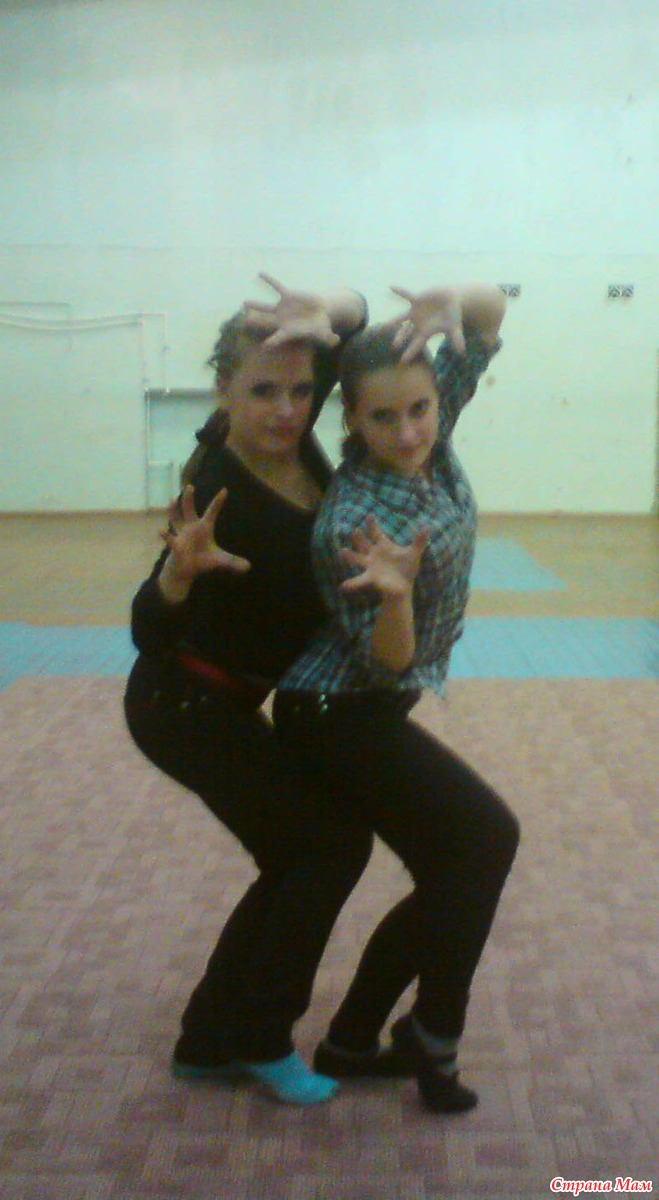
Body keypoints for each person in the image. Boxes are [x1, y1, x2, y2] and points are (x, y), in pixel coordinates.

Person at [124, 275, 376, 1105]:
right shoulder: (216, 489)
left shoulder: (293, 432)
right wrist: (175, 575)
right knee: (328, 848)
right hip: (181, 704)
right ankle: (259, 1037)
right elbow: (148, 632)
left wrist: (326, 312)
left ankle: (208, 1039)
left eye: (302, 391)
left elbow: (355, 326)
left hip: (227, 702)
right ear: (224, 390)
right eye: (263, 391)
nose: (287, 410)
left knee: (300, 855)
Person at [273, 283, 521, 1113]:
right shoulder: (351, 521)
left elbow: (486, 321)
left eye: (419, 409)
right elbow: (389, 663)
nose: (409, 432)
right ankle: (432, 1034)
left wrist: (459, 297)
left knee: (457, 865)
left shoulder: (429, 430)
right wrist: (394, 597)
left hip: (369, 709)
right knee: (485, 839)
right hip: (333, 713)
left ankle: (354, 1040)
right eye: (383, 418)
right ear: (351, 420)